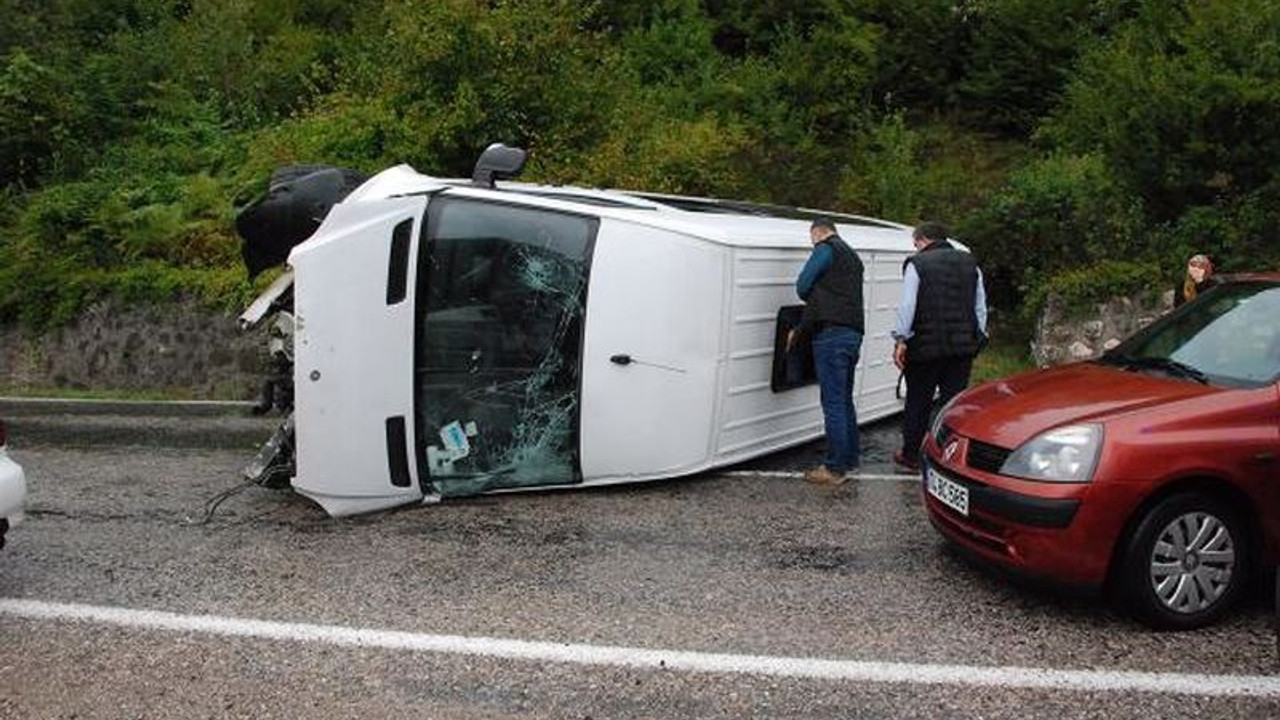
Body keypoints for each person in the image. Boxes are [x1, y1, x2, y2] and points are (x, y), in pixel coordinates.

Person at [891, 221, 987, 473]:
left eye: (915, 243)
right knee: (953, 402)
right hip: (961, 348)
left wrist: (900, 338)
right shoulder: (970, 263)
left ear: (922, 240)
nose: (915, 247)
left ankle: (911, 454)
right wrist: (977, 337)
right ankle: (949, 453)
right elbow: (980, 307)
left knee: (918, 401)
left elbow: (908, 306)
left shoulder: (917, 264)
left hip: (924, 347)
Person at [787, 217, 865, 485]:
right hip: (853, 334)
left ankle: (834, 469)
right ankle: (850, 458)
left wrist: (815, 300)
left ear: (817, 234)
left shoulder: (825, 249)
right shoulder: (853, 256)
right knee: (844, 399)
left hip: (830, 334)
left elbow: (802, 285)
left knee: (832, 403)